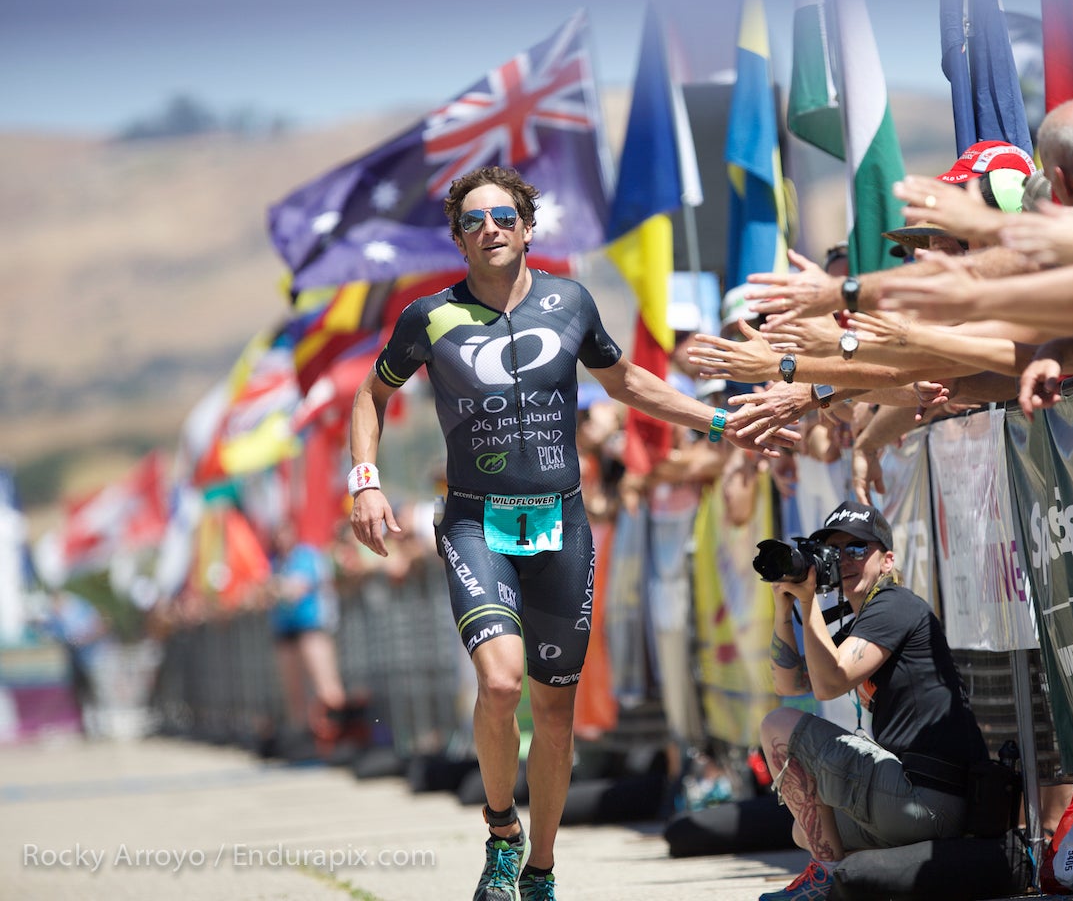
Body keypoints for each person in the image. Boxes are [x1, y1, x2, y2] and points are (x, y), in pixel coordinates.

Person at [347, 165, 787, 901]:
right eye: (474, 220)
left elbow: (627, 384)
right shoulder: (429, 317)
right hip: (475, 522)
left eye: (503, 216)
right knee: (499, 680)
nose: (490, 227)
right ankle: (501, 836)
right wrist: (365, 481)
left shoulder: (570, 303)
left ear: (527, 227)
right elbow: (372, 392)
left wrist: (717, 419)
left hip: (562, 523)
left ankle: (541, 868)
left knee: (554, 712)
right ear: (458, 239)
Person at [758, 501, 989, 901]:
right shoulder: (863, 618)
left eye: (857, 548)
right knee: (808, 824)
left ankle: (827, 879)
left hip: (928, 796)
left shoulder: (894, 604)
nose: (845, 559)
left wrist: (810, 601)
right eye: (834, 551)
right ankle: (854, 875)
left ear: (887, 561)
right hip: (920, 799)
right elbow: (788, 682)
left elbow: (830, 684)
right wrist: (784, 607)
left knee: (776, 726)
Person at [266, 519, 348, 759]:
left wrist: (276, 589)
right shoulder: (275, 562)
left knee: (326, 686)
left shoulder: (306, 556)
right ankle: (304, 741)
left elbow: (296, 589)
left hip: (311, 627)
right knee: (294, 691)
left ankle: (340, 736)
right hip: (285, 630)